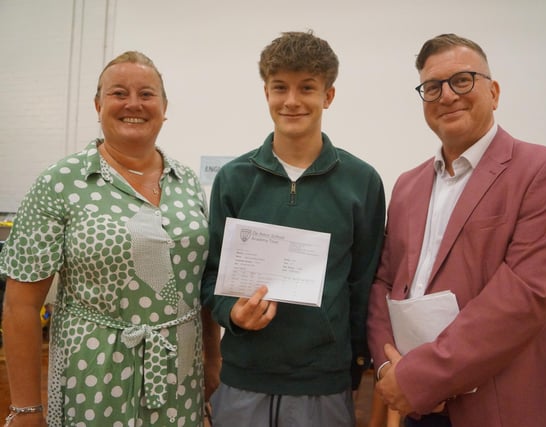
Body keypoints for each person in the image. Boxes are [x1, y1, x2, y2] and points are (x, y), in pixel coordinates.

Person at [366, 33, 546, 427]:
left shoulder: (545, 171)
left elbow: (525, 295)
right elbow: (384, 282)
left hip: (503, 400)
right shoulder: (407, 185)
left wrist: (422, 375)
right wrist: (388, 366)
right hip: (417, 402)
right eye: (432, 87)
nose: (448, 96)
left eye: (463, 80)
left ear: (495, 91)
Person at [0, 51, 220, 427]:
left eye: (147, 94)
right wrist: (25, 409)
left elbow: (199, 285)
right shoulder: (60, 182)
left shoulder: (188, 186)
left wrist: (212, 361)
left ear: (164, 107)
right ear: (98, 104)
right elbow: (20, 305)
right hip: (92, 378)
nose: (133, 103)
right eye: (119, 93)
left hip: (178, 377)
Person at [201, 30, 386, 427]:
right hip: (243, 377)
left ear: (328, 96)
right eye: (279, 87)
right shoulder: (233, 179)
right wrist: (233, 312)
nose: (291, 101)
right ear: (265, 92)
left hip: (324, 384)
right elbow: (210, 277)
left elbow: (363, 284)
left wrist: (355, 367)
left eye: (307, 88)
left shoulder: (362, 182)